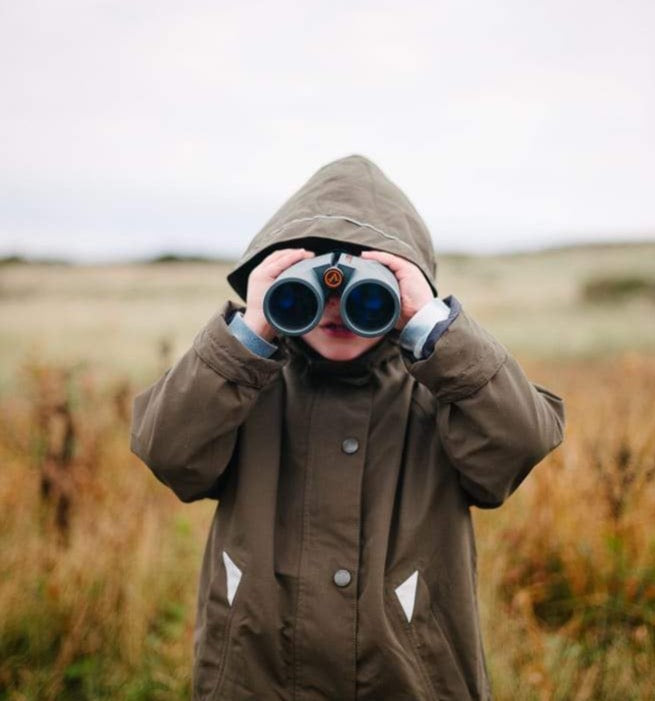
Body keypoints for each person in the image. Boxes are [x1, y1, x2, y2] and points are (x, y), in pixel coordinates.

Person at [130, 154, 566, 700]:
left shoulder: (440, 391)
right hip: (255, 679)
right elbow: (169, 451)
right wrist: (249, 332)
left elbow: (519, 443)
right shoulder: (246, 387)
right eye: (311, 290)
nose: (335, 306)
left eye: (365, 292)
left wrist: (434, 328)